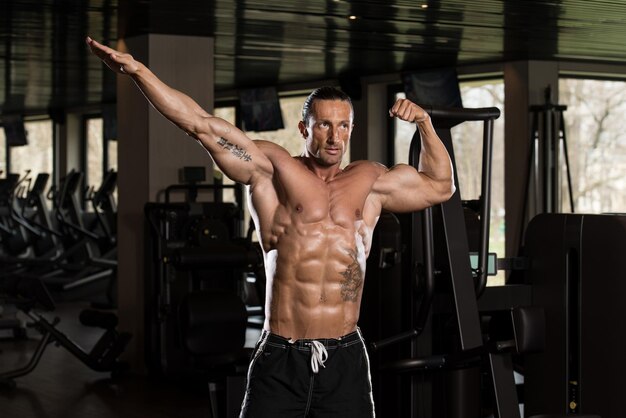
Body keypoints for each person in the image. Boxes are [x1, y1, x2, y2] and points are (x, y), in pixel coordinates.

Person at [87, 36, 455, 418]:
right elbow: (200, 125)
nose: (335, 136)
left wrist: (425, 124)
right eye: (324, 125)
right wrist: (138, 71)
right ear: (304, 128)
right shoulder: (272, 170)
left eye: (343, 126)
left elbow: (441, 186)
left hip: (346, 355)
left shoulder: (371, 181)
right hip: (282, 356)